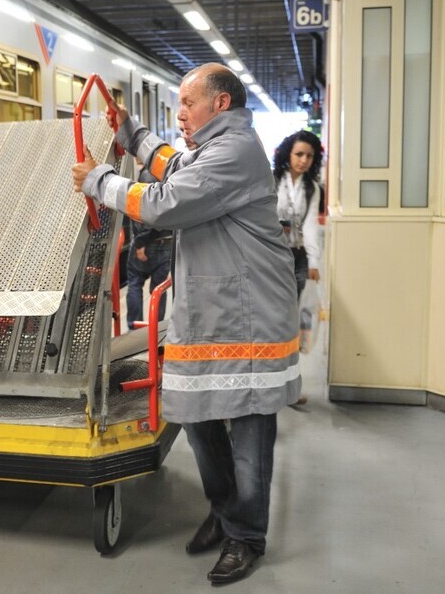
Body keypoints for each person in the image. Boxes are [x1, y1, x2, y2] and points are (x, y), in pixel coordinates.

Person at [72, 63, 300, 585]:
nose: (180, 114)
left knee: (248, 432)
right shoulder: (210, 149)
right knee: (198, 420)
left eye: (188, 104)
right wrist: (131, 133)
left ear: (220, 104)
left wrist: (100, 180)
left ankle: (246, 537)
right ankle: (225, 513)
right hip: (213, 316)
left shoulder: (235, 151)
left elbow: (165, 201)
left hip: (249, 321)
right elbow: (174, 165)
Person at [273, 130, 324, 402]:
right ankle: (271, 380)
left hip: (299, 258)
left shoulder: (312, 188)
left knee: (293, 323)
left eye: (309, 156)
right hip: (272, 258)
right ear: (288, 154)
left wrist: (314, 261)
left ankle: (290, 384)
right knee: (273, 320)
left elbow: (311, 225)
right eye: (299, 154)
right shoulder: (271, 181)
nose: (303, 160)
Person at [125, 163, 171, 330]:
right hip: (166, 242)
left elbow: (148, 213)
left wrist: (140, 243)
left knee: (135, 283)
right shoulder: (167, 170)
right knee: (159, 289)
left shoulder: (147, 175)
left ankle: (135, 328)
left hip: (147, 243)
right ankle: (156, 330)